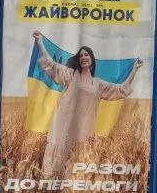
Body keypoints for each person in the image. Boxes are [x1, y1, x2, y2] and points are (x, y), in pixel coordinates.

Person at [32, 31, 143, 179]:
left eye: (87, 55)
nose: (84, 57)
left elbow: (120, 90)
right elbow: (51, 65)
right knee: (54, 152)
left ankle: (66, 186)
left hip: (82, 128)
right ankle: (48, 181)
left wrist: (135, 69)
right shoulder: (71, 75)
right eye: (81, 55)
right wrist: (40, 42)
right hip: (63, 122)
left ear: (92, 59)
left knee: (74, 160)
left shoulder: (98, 84)